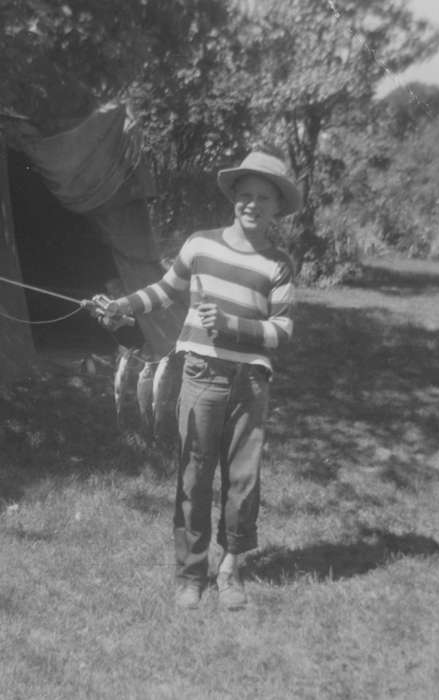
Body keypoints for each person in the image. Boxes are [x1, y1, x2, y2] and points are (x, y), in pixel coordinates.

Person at [99, 150, 299, 610]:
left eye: (263, 198)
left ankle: (229, 569)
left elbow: (282, 331)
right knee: (194, 474)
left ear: (276, 207)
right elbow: (167, 291)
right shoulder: (200, 245)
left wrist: (233, 326)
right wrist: (123, 306)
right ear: (233, 198)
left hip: (251, 381)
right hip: (201, 374)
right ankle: (191, 574)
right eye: (245, 195)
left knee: (242, 480)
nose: (252, 204)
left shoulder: (279, 264)